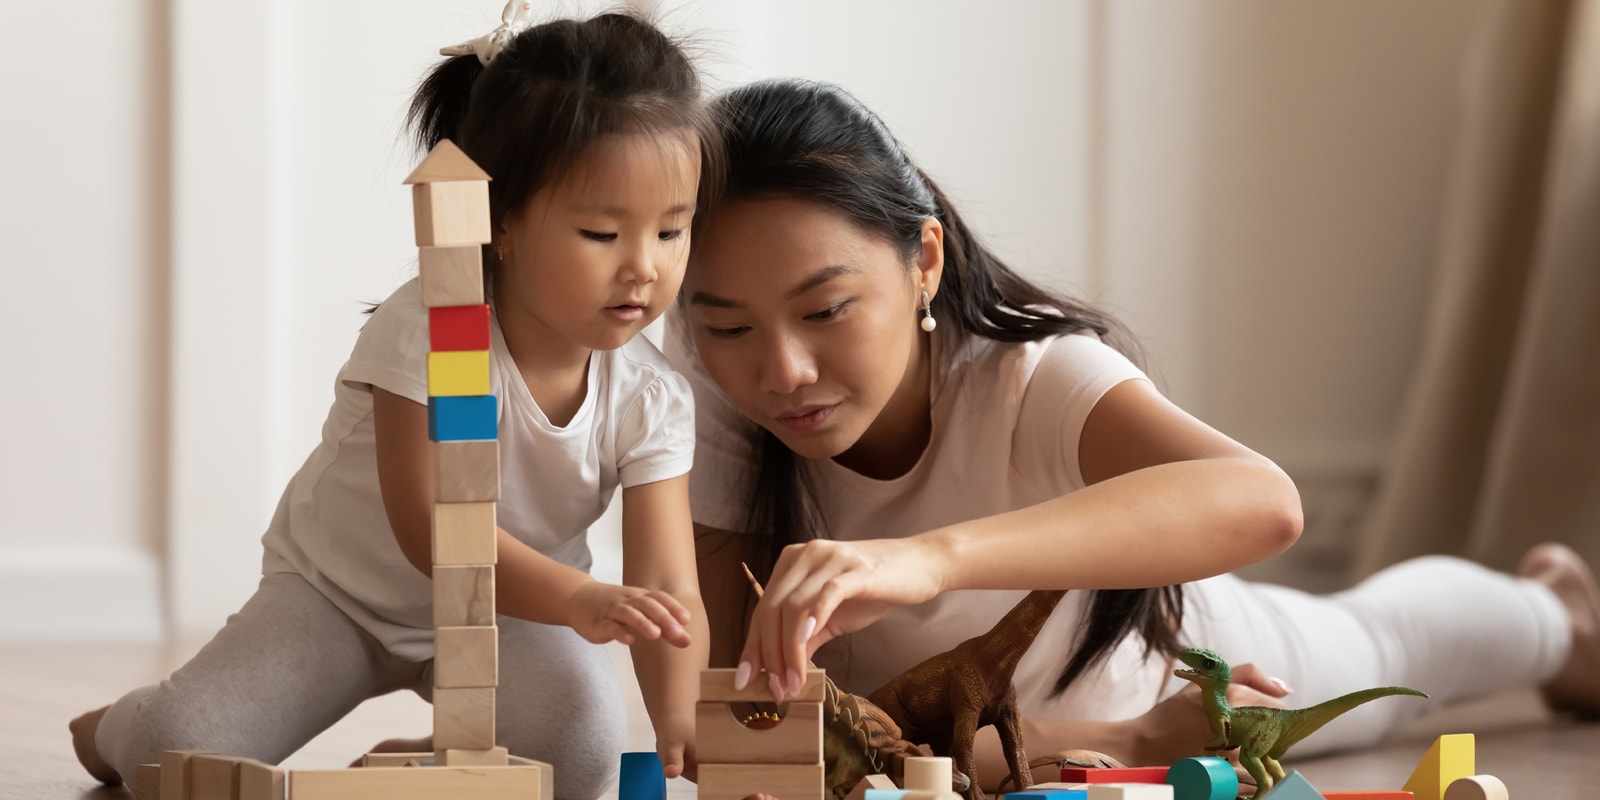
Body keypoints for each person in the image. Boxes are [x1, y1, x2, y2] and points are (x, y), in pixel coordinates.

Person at [667, 78, 1600, 788]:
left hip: (1196, 662)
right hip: (1101, 739)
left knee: (1388, 643)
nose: (780, 370)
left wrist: (928, 559)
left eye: (825, 308)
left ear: (925, 262)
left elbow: (1264, 502)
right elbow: (771, 752)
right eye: (729, 327)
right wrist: (1127, 745)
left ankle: (1560, 615)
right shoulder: (715, 426)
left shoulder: (1024, 376)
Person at [70, 8, 714, 796]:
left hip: (516, 613)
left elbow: (669, 586)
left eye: (672, 232)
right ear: (501, 221)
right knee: (174, 752)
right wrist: (579, 595)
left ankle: (435, 756)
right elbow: (432, 528)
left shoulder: (651, 398)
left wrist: (681, 718)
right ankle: (113, 723)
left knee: (579, 758)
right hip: (341, 599)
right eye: (602, 235)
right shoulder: (433, 330)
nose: (644, 268)